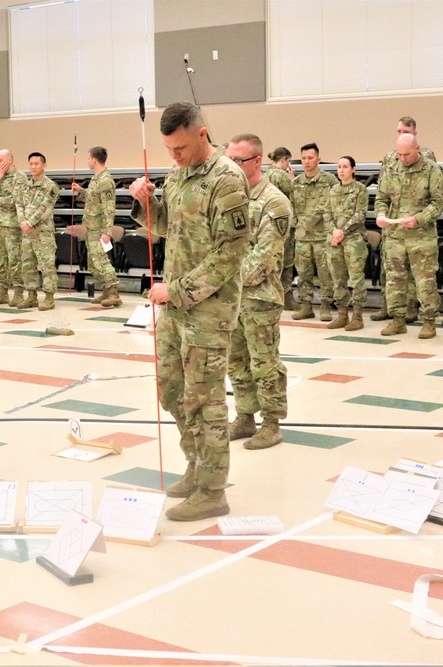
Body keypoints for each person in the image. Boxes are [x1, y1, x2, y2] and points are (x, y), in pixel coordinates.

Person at [128, 102, 250, 521]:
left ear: (202, 134)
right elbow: (165, 226)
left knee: (205, 399)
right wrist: (144, 203)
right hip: (175, 306)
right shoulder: (177, 176)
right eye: (168, 149)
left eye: (179, 147)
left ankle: (214, 489)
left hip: (208, 310)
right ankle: (196, 466)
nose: (173, 156)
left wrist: (175, 290)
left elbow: (229, 256)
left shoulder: (227, 180)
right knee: (173, 391)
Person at [225, 135, 290, 451]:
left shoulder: (274, 202)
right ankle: (245, 416)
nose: (232, 166)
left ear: (257, 161)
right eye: (229, 160)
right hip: (230, 298)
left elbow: (264, 257)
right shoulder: (229, 197)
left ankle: (272, 423)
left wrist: (222, 277)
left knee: (264, 362)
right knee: (235, 361)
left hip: (259, 297)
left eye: (238, 161)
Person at [374, 133, 443, 338]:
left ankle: (429, 321)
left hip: (421, 236)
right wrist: (380, 213)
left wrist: (419, 218)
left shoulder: (431, 170)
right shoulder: (391, 168)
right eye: (399, 154)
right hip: (395, 235)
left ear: (417, 149)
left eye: (407, 154)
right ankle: (398, 320)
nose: (403, 158)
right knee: (395, 280)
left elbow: (439, 203)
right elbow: (381, 197)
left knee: (425, 281)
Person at [291, 143, 337, 321]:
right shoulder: (296, 183)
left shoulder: (329, 181)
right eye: (303, 158)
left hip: (321, 236)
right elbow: (292, 207)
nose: (306, 162)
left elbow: (334, 206)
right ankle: (306, 306)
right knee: (303, 274)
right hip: (302, 237)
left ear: (318, 159)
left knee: (325, 273)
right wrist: (297, 224)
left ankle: (326, 305)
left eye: (310, 158)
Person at [71, 146, 122, 308]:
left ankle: (113, 292)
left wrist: (107, 232)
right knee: (93, 263)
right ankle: (106, 290)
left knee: (101, 261)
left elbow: (109, 208)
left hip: (100, 229)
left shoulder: (106, 181)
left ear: (94, 159)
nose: (87, 161)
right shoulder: (96, 179)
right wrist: (82, 191)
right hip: (91, 228)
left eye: (88, 158)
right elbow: (95, 199)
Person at [326, 156, 369, 330]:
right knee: (338, 278)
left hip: (353, 239)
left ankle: (357, 316)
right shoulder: (333, 190)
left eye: (345, 167)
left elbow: (360, 214)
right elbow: (326, 213)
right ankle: (342, 314)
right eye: (339, 167)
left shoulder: (360, 189)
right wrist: (334, 231)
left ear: (353, 169)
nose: (341, 170)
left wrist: (342, 230)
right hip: (336, 239)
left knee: (356, 278)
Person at [0, 149, 28, 305]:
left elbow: (16, 201)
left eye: (0, 160)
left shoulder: (20, 177)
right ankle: (2, 292)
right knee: (0, 260)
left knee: (15, 260)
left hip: (13, 226)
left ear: (9, 160)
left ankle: (18, 292)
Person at [18, 152, 60, 311]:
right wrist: (23, 222)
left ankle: (49, 297)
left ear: (44, 166)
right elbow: (19, 205)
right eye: (31, 164)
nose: (33, 167)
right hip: (27, 233)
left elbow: (45, 208)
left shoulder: (51, 186)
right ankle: (31, 296)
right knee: (27, 265)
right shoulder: (25, 187)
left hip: (42, 233)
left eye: (36, 163)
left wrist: (30, 222)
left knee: (47, 265)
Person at [265, 146, 296, 310]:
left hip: (268, 224)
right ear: (283, 160)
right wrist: (291, 178)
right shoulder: (281, 176)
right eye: (288, 161)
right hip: (284, 224)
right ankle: (287, 297)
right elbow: (294, 195)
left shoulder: (265, 175)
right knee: (287, 262)